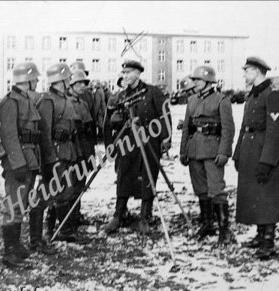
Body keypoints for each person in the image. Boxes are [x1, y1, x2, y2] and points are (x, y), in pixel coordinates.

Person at [103, 60, 172, 235]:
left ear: (138, 73)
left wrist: (166, 139)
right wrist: (110, 145)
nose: (124, 76)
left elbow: (165, 115)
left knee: (148, 177)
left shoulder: (152, 92)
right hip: (126, 143)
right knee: (124, 176)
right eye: (123, 73)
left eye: (128, 73)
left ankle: (145, 216)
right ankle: (118, 215)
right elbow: (108, 123)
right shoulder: (119, 96)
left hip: (150, 142)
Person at [233, 57, 279, 260]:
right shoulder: (252, 96)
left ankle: (268, 240)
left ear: (256, 71)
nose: (245, 75)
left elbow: (275, 131)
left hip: (264, 151)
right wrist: (238, 153)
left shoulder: (271, 96)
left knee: (266, 193)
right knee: (255, 193)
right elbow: (244, 126)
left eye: (247, 71)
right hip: (249, 150)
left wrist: (267, 161)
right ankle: (260, 234)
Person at [179, 66, 235, 246]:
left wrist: (224, 152)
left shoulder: (221, 100)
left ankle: (224, 230)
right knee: (201, 189)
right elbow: (187, 128)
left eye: (197, 80)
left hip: (212, 151)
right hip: (194, 150)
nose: (194, 83)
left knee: (216, 189)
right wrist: (183, 150)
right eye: (193, 80)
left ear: (209, 82)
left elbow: (228, 129)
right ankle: (207, 223)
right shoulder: (192, 100)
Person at [0, 62, 43, 267]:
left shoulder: (26, 99)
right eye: (35, 78)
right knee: (13, 205)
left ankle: (15, 245)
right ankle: (9, 252)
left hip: (29, 158)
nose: (37, 81)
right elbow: (8, 135)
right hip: (18, 160)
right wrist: (17, 163)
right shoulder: (11, 102)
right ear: (28, 79)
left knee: (22, 203)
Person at [38, 63, 86, 243]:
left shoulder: (65, 99)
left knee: (66, 190)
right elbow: (45, 132)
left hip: (68, 151)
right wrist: (50, 159)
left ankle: (65, 231)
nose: (69, 81)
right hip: (56, 153)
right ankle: (48, 229)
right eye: (67, 78)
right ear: (59, 80)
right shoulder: (48, 100)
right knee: (52, 191)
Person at [68, 69, 96, 226]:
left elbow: (90, 131)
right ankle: (68, 218)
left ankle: (76, 214)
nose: (82, 87)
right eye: (79, 84)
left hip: (84, 149)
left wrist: (90, 155)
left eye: (84, 84)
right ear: (71, 85)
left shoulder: (84, 103)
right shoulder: (67, 102)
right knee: (71, 185)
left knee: (80, 184)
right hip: (73, 149)